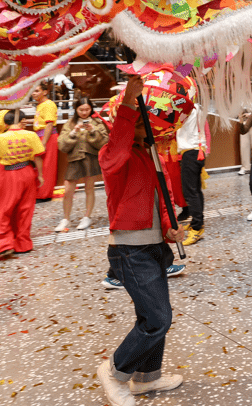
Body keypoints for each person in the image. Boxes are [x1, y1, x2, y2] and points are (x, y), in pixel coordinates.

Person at [97, 75, 185, 405]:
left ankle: (147, 378)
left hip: (153, 246)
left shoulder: (148, 155)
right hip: (129, 249)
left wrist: (169, 229)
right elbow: (118, 146)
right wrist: (129, 105)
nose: (141, 128)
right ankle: (116, 371)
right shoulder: (112, 155)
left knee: (152, 317)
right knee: (158, 318)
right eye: (135, 123)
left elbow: (159, 201)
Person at [0, 111, 45, 260]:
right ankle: (23, 244)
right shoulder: (31, 135)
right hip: (28, 172)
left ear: (5, 124)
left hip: (10, 174)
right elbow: (38, 156)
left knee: (4, 209)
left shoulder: (0, 138)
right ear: (22, 121)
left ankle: (1, 245)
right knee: (26, 210)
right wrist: (40, 175)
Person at [56, 97, 109, 232]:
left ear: (91, 109)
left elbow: (104, 142)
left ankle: (87, 216)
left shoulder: (97, 122)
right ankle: (65, 218)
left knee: (89, 189)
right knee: (68, 191)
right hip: (74, 159)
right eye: (81, 109)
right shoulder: (70, 123)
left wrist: (92, 131)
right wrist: (73, 132)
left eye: (87, 109)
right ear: (76, 109)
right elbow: (62, 144)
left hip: (90, 159)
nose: (84, 112)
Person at [176, 103, 209, 246]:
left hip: (191, 152)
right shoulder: (196, 107)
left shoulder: (186, 109)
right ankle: (197, 222)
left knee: (190, 192)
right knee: (195, 191)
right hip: (196, 151)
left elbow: (174, 124)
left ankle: (197, 228)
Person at [30, 82, 59, 201]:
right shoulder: (40, 105)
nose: (33, 93)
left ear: (45, 92)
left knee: (47, 166)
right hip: (41, 137)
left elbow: (49, 124)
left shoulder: (48, 104)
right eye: (33, 91)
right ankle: (40, 192)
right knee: (40, 166)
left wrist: (44, 143)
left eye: (37, 90)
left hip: (47, 138)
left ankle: (45, 194)